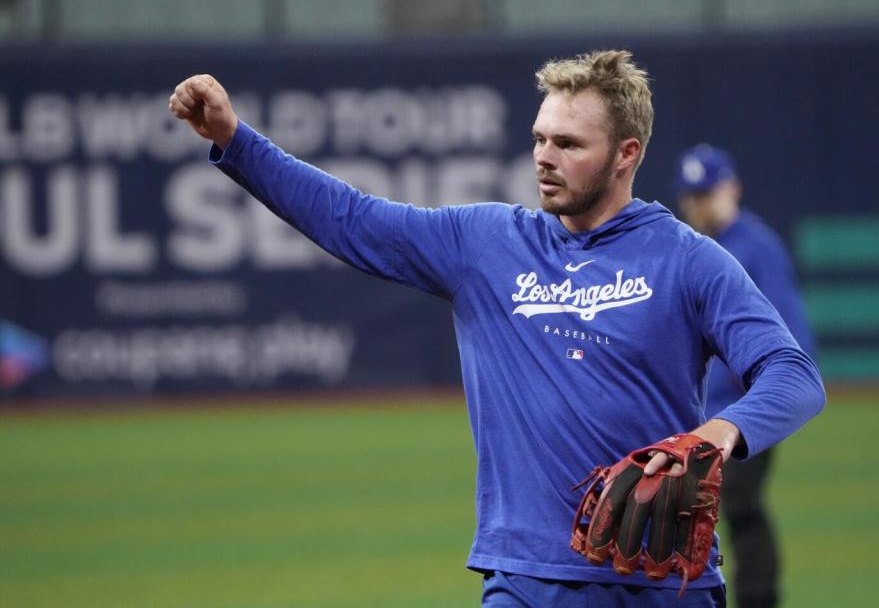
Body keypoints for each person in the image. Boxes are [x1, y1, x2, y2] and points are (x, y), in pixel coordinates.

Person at [169, 51, 825, 607]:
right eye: (540, 138)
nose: (545, 156)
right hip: (527, 581)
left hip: (660, 585)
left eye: (568, 144)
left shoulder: (689, 260)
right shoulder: (485, 245)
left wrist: (712, 438)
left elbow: (794, 376)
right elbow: (349, 217)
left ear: (627, 154)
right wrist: (235, 140)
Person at [674, 144, 818, 608]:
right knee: (687, 515)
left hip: (745, 417)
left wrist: (756, 401)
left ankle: (758, 599)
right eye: (692, 195)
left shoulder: (756, 247)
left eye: (707, 192)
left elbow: (791, 343)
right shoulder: (687, 248)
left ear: (731, 188)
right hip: (696, 417)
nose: (700, 204)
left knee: (739, 504)